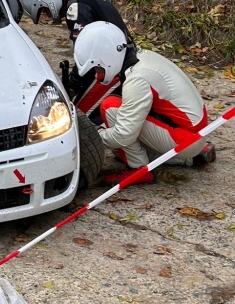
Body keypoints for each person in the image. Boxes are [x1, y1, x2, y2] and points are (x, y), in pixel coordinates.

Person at [73, 21, 216, 184]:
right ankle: (187, 158)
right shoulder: (140, 56)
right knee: (120, 144)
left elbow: (123, 135)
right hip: (196, 131)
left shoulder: (137, 79)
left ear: (107, 58)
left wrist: (90, 137)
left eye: (98, 68)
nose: (98, 73)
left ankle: (139, 169)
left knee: (110, 108)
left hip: (186, 138)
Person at [20, 0, 132, 120]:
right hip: (118, 60)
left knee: (77, 117)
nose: (47, 15)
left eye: (44, 9)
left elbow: (87, 58)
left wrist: (71, 86)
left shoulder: (76, 8)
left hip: (112, 70)